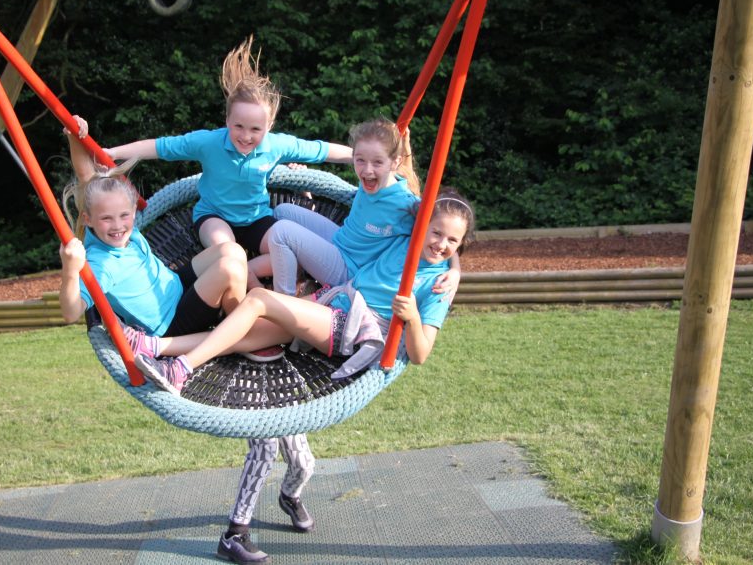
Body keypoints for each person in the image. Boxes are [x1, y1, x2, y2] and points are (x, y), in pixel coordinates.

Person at [129, 189, 475, 563]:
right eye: (436, 233)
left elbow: (421, 353)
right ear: (422, 227)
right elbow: (410, 190)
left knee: (258, 301)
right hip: (331, 300)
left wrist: (413, 314)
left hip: (349, 327)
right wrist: (456, 265)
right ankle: (156, 348)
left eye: (452, 241)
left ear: (461, 244)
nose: (441, 244)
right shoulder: (406, 240)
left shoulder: (436, 287)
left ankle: (181, 370)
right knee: (250, 331)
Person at [70, 36, 353, 288]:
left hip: (256, 218)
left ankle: (266, 294)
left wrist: (359, 157)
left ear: (269, 127)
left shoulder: (276, 145)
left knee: (289, 254)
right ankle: (256, 302)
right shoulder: (209, 143)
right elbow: (160, 146)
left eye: (255, 130)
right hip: (213, 217)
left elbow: (322, 150)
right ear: (227, 120)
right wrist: (112, 151)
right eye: (238, 126)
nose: (245, 136)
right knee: (230, 251)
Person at [57, 127, 248, 342]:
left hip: (175, 287)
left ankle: (235, 312)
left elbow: (86, 178)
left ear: (131, 211)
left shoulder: (122, 230)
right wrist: (71, 270)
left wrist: (74, 135)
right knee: (229, 269)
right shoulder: (101, 264)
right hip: (170, 323)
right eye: (106, 218)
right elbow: (70, 313)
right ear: (87, 219)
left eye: (124, 215)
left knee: (231, 250)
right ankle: (239, 333)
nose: (118, 225)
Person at [249, 117, 460, 297]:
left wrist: (456, 270)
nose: (367, 170)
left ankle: (282, 302)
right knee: (283, 211)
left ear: (394, 163)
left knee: (281, 232)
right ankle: (297, 269)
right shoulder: (371, 181)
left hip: (349, 269)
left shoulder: (405, 205)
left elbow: (441, 230)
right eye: (360, 161)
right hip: (340, 240)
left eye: (377, 163)